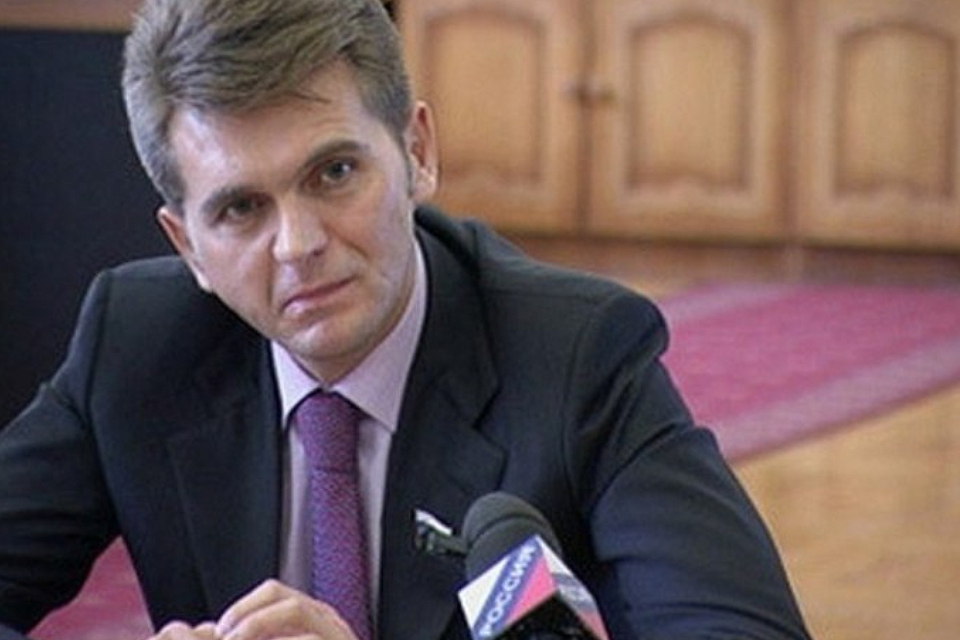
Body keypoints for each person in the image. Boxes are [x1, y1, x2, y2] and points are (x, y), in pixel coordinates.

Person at [0, 0, 813, 639]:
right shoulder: (134, 344)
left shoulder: (578, 356)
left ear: (417, 152)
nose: (298, 245)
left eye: (334, 172)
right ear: (189, 248)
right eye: (241, 209)